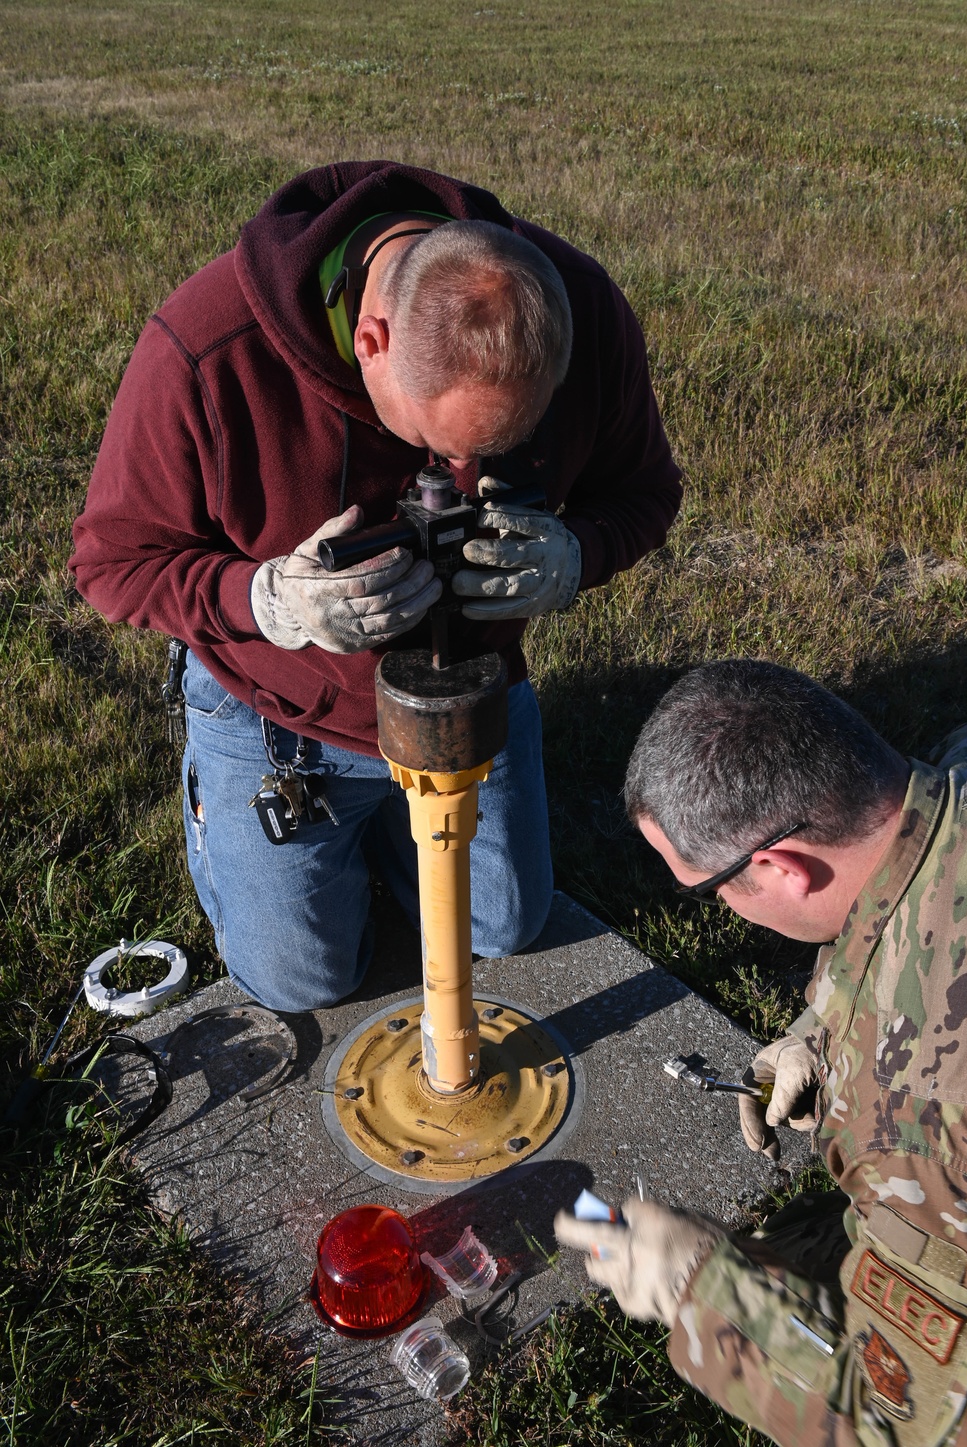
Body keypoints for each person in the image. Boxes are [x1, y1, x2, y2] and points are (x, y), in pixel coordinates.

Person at [70, 161, 682, 1012]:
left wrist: (577, 553)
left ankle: (379, 846)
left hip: (469, 694)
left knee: (505, 926)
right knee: (300, 982)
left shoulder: (579, 306)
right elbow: (111, 562)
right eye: (443, 444)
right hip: (278, 710)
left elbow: (647, 492)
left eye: (500, 449)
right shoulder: (209, 349)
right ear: (371, 342)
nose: (463, 480)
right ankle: (237, 810)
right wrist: (268, 601)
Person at [555, 659, 967, 1446]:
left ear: (779, 868)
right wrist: (826, 1029)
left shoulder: (920, 1123)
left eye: (710, 890)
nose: (721, 908)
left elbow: (907, 1421)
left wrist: (705, 1291)